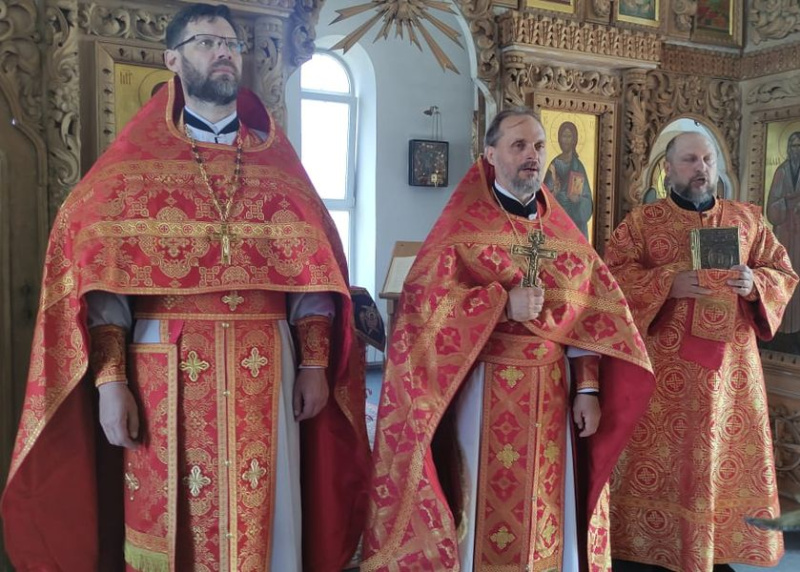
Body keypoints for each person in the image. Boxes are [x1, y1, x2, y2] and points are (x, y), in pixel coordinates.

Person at [1, 4, 370, 571]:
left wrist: (316, 364)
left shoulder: (277, 162)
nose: (223, 53)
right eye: (206, 43)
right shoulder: (130, 166)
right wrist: (109, 383)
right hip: (162, 365)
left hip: (265, 361)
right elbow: (102, 287)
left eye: (231, 44)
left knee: (267, 515)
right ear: (173, 59)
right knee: (171, 522)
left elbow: (313, 271)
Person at [360, 108, 655, 571]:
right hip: (483, 390)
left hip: (553, 393)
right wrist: (499, 304)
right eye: (519, 146)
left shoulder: (563, 232)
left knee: (548, 499)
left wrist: (589, 389)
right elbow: (424, 309)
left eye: (539, 147)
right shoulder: (463, 227)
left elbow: (589, 317)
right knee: (483, 499)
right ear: (490, 154)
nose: (532, 157)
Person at [605, 131, 798, 572]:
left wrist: (756, 285)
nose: (701, 168)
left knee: (720, 462)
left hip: (731, 379)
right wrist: (665, 283)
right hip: (664, 382)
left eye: (707, 159)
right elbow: (611, 277)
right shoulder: (642, 222)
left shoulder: (747, 219)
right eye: (690, 159)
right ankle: (650, 546)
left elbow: (782, 271)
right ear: (668, 168)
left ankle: (711, 550)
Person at [766, 131, 800, 345]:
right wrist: (786, 203)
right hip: (785, 237)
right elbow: (771, 209)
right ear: (788, 148)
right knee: (783, 278)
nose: (797, 150)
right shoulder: (780, 172)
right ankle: (783, 327)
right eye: (794, 146)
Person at [543, 121, 594, 238]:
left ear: (574, 140)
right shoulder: (554, 165)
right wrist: (554, 193)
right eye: (563, 136)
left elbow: (587, 200)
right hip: (555, 222)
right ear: (559, 139)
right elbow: (543, 196)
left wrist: (577, 200)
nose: (566, 140)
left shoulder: (578, 166)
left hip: (574, 225)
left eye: (569, 136)